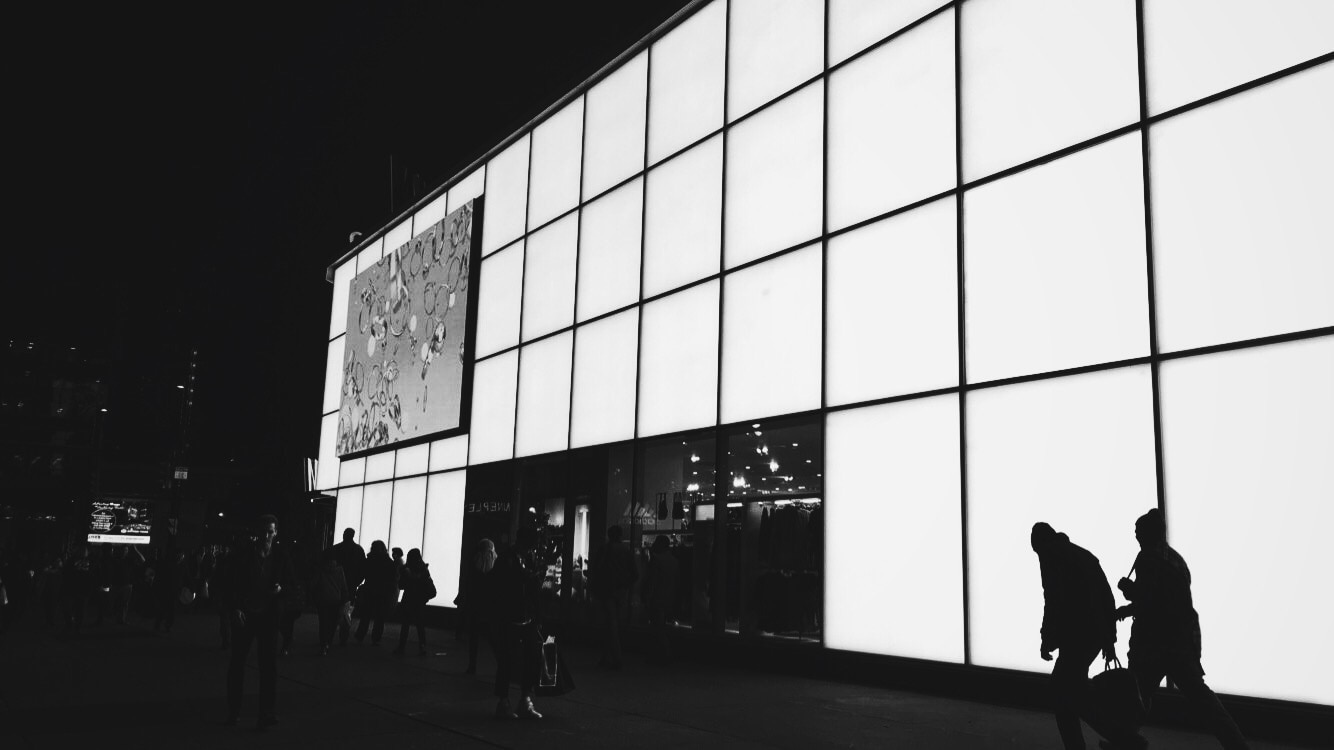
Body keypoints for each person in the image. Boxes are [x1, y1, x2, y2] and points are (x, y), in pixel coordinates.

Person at [1113, 509, 1250, 750]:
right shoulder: (1174, 558)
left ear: (1148, 533)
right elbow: (1166, 600)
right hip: (1181, 642)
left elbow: (1149, 602)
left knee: (1137, 695)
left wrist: (1128, 593)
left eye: (1138, 531)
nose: (1135, 535)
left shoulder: (1148, 560)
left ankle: (1125, 740)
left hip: (1154, 645)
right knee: (1203, 701)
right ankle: (1237, 744)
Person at [1031, 522, 1136, 750]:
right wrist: (1109, 637)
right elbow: (1106, 597)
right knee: (1072, 691)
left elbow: (1054, 602)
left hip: (1076, 636)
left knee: (1062, 692)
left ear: (1041, 545)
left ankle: (1121, 739)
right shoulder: (1084, 555)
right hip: (1095, 635)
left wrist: (1046, 639)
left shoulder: (1051, 557)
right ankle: (1123, 738)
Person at [222, 514, 296, 729]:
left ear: (275, 533)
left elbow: (292, 583)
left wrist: (281, 589)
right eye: (263, 531)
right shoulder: (243, 555)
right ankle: (234, 711)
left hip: (269, 615)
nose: (266, 536)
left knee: (268, 666)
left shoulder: (281, 555)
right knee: (237, 663)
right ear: (257, 532)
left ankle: (266, 712)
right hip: (245, 613)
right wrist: (234, 608)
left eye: (270, 532)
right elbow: (230, 582)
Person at [481, 527, 544, 720]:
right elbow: (507, 585)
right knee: (508, 659)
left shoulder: (526, 557)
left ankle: (523, 699)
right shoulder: (508, 558)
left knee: (531, 657)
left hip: (525, 615)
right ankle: (505, 701)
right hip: (510, 616)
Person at [591, 525, 637, 669]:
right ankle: (611, 656)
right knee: (614, 622)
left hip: (607, 589)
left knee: (609, 623)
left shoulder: (604, 549)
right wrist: (625, 585)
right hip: (620, 590)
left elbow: (597, 569)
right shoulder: (626, 551)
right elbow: (634, 573)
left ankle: (611, 656)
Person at [461, 538, 497, 674]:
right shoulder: (495, 565)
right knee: (493, 638)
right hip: (490, 607)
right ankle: (501, 665)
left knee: (474, 638)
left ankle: (472, 665)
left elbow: (468, 584)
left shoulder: (474, 564)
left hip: (475, 606)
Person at [643, 535, 679, 665]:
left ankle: (662, 654)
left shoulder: (656, 560)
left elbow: (652, 581)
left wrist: (648, 596)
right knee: (661, 626)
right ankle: (664, 654)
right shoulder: (674, 561)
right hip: (669, 596)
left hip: (657, 596)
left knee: (656, 627)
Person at [354, 540, 397, 645]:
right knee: (380, 617)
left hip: (369, 590)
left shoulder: (369, 560)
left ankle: (360, 635)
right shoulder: (389, 562)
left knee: (365, 616)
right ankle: (376, 638)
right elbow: (393, 579)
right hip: (383, 593)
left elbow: (362, 573)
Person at [394, 548, 434, 655]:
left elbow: (401, 585)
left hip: (408, 599)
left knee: (405, 625)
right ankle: (422, 646)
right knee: (420, 625)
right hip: (420, 600)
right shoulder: (424, 569)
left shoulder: (406, 569)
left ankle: (401, 647)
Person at [330, 528, 366, 646]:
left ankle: (328, 636)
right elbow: (362, 570)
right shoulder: (359, 550)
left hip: (335, 584)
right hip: (351, 585)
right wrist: (356, 582)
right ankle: (343, 637)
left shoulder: (335, 549)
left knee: (333, 610)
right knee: (346, 612)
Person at [312, 548, 349, 656]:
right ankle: (329, 642)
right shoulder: (339, 570)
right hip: (336, 600)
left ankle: (323, 644)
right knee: (333, 623)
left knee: (323, 623)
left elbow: (314, 584)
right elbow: (343, 585)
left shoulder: (320, 569)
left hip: (323, 599)